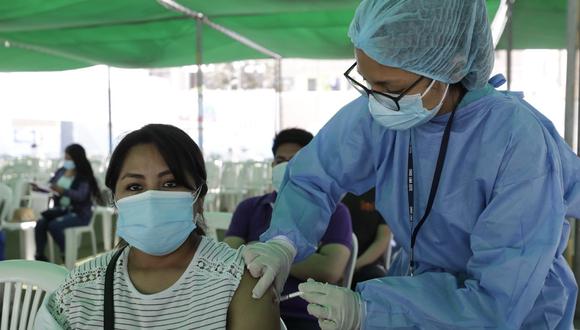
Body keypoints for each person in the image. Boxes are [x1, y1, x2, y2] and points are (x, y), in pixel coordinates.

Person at [241, 0, 580, 329]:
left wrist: (370, 310)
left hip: (511, 312)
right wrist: (283, 244)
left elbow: (496, 304)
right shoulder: (385, 110)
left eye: (389, 86)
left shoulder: (518, 143)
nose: (374, 99)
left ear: (454, 64)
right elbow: (314, 176)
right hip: (418, 293)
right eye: (366, 81)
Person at [34, 124, 279, 329]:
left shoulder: (241, 280)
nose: (151, 198)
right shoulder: (80, 289)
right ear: (116, 201)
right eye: (134, 187)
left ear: (199, 199)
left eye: (170, 184)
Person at [224, 128, 353, 330]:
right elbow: (229, 257)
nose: (285, 166)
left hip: (308, 314)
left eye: (294, 159)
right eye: (280, 160)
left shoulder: (335, 212)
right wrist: (300, 257)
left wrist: (265, 250)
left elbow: (330, 270)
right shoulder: (249, 208)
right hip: (249, 309)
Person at [33, 143, 101, 261]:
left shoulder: (84, 176)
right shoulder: (61, 171)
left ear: (77, 159)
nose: (66, 161)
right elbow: (50, 186)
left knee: (54, 225)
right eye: (65, 158)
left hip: (79, 214)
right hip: (60, 210)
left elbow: (80, 196)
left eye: (69, 158)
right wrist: (39, 188)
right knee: (41, 223)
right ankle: (40, 255)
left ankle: (67, 253)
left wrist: (63, 191)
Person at [341, 188, 391, 289]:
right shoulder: (342, 187)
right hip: (337, 257)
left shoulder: (384, 195)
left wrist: (354, 266)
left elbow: (382, 240)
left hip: (366, 263)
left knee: (378, 284)